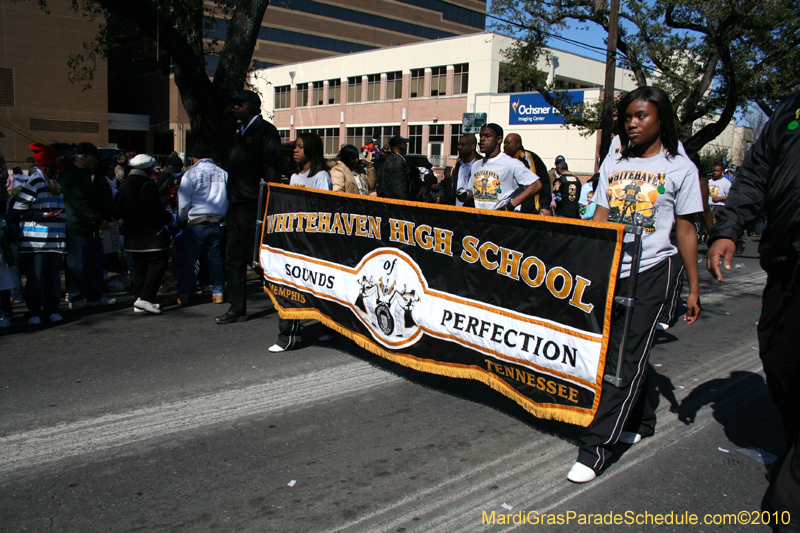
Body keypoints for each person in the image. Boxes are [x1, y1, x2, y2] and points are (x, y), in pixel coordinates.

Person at [567, 86, 702, 483]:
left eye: (641, 116)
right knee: (613, 349)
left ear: (661, 119)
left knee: (624, 359)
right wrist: (588, 265)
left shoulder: (681, 168)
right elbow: (601, 216)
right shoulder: (616, 162)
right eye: (627, 117)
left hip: (655, 270)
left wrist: (694, 288)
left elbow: (686, 230)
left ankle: (596, 448)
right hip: (613, 270)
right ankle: (641, 420)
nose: (632, 123)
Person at [707, 92, 800, 532]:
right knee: (780, 358)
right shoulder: (790, 109)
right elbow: (756, 175)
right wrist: (729, 229)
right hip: (787, 263)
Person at [216, 89, 282, 325]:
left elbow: (272, 169)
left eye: (240, 104)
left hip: (254, 205)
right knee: (232, 256)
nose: (236, 107)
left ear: (254, 106)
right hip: (235, 204)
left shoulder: (265, 131)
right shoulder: (239, 134)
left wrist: (267, 203)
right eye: (234, 104)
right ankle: (237, 308)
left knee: (258, 258)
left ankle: (284, 297)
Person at [269, 132, 332, 353]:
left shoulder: (322, 176)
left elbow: (325, 212)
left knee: (316, 288)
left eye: (300, 147)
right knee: (291, 288)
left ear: (311, 150)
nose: (295, 150)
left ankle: (327, 328)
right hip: (293, 241)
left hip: (313, 244)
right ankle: (288, 336)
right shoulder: (295, 177)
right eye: (295, 147)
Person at [12, 143, 67, 325]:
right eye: (57, 158)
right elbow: (18, 209)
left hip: (56, 241)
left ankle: (52, 309)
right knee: (35, 279)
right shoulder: (35, 181)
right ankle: (34, 311)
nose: (60, 161)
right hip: (36, 242)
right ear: (49, 161)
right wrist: (42, 216)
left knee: (53, 279)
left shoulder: (54, 181)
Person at [60, 142, 116, 309]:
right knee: (76, 265)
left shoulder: (93, 175)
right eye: (94, 158)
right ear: (84, 158)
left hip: (93, 228)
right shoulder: (70, 176)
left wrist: (107, 217)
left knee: (95, 263)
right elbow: (78, 203)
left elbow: (101, 200)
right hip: (78, 228)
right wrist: (97, 221)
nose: (96, 162)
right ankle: (75, 297)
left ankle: (95, 295)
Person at [115, 154, 173, 314]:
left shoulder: (125, 184)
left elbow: (118, 208)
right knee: (158, 263)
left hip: (132, 234)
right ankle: (146, 298)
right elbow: (154, 209)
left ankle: (139, 298)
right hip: (150, 234)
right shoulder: (146, 184)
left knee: (140, 265)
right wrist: (168, 219)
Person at [176, 140, 228, 306]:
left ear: (194, 157)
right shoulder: (223, 174)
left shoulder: (191, 174)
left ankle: (184, 292)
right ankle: (218, 292)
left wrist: (181, 218)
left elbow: (184, 201)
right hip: (217, 221)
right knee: (215, 259)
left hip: (197, 222)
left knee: (189, 259)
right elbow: (227, 199)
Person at [467, 124, 541, 212]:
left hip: (503, 220)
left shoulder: (511, 163)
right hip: (481, 219)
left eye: (487, 136)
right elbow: (473, 191)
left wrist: (510, 205)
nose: (482, 139)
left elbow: (536, 185)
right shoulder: (476, 165)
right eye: (481, 136)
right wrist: (466, 194)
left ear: (499, 139)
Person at [503, 133, 552, 215]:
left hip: (530, 209)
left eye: (508, 143)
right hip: (507, 209)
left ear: (518, 144)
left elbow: (544, 183)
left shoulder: (531, 158)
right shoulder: (502, 159)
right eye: (504, 143)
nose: (505, 146)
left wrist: (545, 205)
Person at [441, 134, 479, 207]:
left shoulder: (480, 165)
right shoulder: (456, 166)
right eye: (458, 145)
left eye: (463, 145)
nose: (459, 147)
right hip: (455, 211)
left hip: (472, 211)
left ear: (473, 146)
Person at [376, 135, 412, 200]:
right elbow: (399, 188)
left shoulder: (391, 159)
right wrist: (405, 204)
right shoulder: (396, 162)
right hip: (394, 203)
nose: (406, 147)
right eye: (405, 145)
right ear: (399, 146)